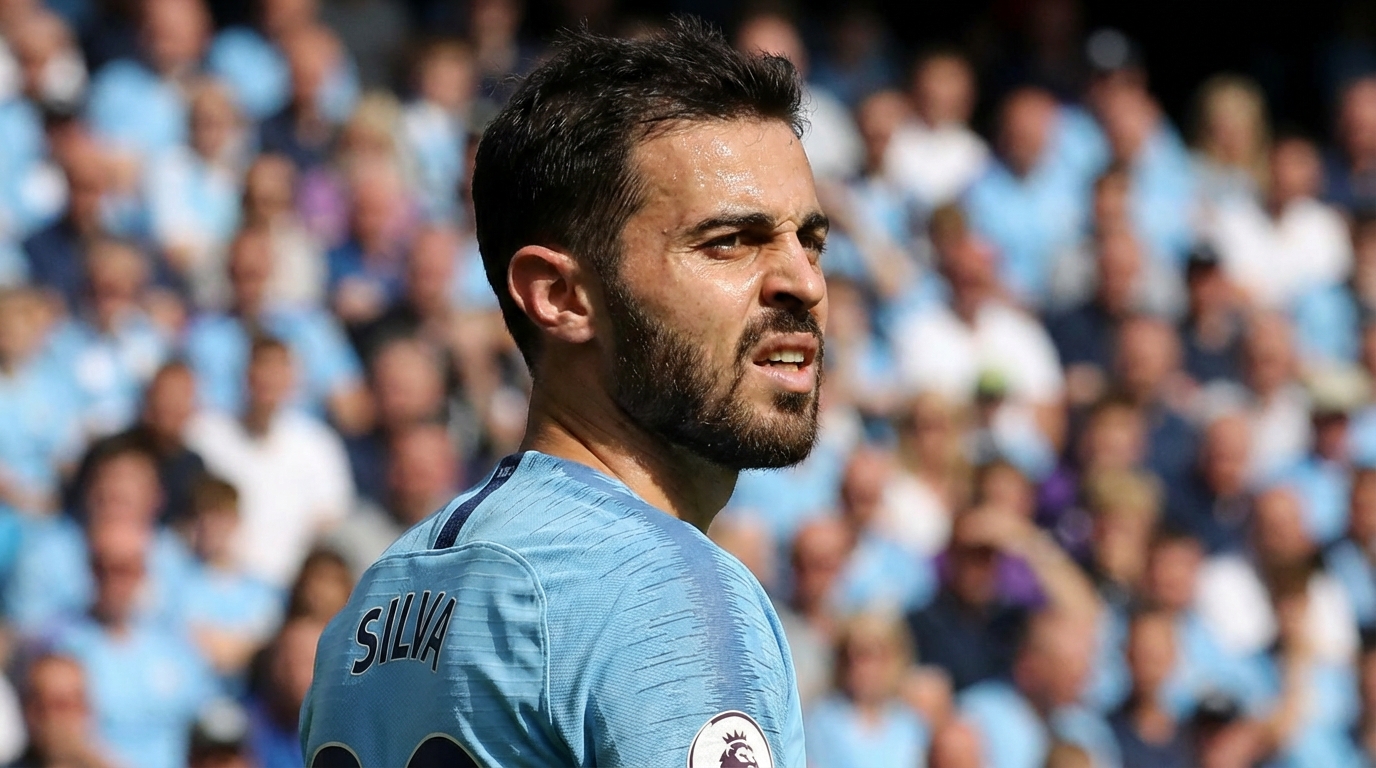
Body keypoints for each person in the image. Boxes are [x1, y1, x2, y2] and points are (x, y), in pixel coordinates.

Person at [302, 19, 824, 766]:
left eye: (810, 239)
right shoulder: (663, 593)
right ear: (560, 296)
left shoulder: (375, 601)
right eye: (728, 242)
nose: (803, 282)